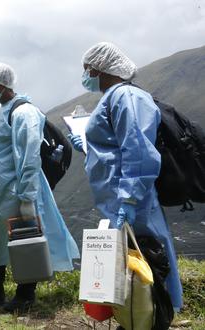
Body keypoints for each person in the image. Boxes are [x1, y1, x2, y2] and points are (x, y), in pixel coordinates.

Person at [69, 42, 183, 312]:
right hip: (117, 195)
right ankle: (136, 316)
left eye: (87, 70)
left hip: (133, 198)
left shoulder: (126, 97)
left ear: (100, 68)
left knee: (150, 259)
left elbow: (138, 150)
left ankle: (158, 316)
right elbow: (114, 147)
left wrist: (130, 198)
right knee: (132, 264)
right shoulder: (114, 97)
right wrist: (87, 146)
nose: (85, 75)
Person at [0, 63, 80, 313]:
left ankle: (25, 295)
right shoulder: (3, 110)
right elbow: (1, 150)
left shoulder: (25, 112)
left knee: (24, 239)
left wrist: (28, 196)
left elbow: (29, 155)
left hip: (18, 188)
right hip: (1, 188)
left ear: (0, 85)